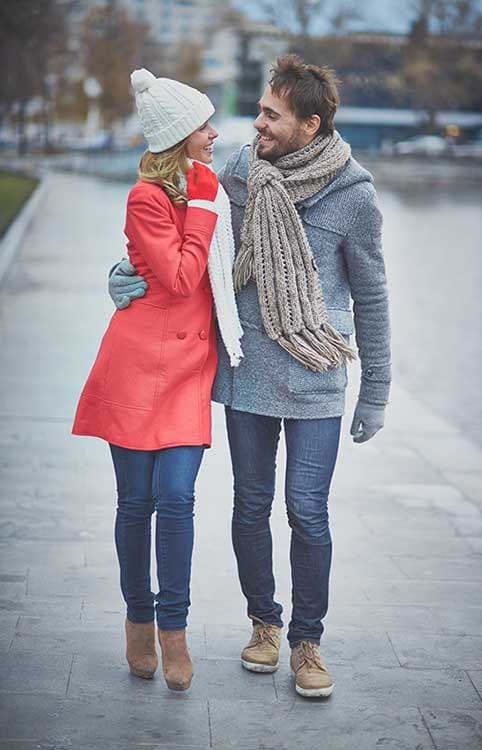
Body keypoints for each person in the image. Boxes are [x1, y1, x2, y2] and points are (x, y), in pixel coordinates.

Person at [109, 55, 391, 699]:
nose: (255, 123)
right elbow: (176, 236)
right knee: (251, 505)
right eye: (260, 110)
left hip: (318, 374)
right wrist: (122, 278)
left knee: (307, 511)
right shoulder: (238, 173)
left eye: (270, 114)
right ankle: (265, 624)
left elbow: (372, 296)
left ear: (310, 124)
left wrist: (375, 389)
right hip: (248, 370)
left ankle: (307, 641)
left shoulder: (354, 194)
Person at [73, 68, 242, 692]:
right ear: (179, 136)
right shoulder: (148, 197)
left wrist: (205, 200)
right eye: (203, 126)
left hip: (188, 369)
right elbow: (176, 275)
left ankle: (175, 627)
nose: (213, 134)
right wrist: (198, 206)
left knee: (177, 500)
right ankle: (138, 621)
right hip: (137, 363)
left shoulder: (214, 189)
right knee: (134, 503)